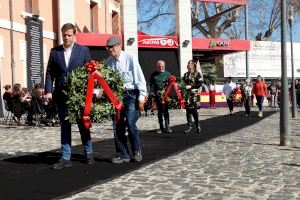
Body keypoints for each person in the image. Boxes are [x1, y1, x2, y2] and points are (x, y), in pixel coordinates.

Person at [44, 23, 94, 169]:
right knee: (65, 126)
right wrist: (48, 90)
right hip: (60, 95)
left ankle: (88, 152)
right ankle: (65, 158)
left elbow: (90, 73)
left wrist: (92, 90)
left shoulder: (83, 51)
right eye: (64, 35)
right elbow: (49, 73)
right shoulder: (55, 52)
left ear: (74, 35)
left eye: (69, 35)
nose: (66, 37)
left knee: (82, 124)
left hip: (79, 96)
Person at [105, 36, 147, 164]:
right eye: (108, 48)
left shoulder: (130, 58)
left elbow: (140, 78)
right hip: (116, 97)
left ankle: (137, 151)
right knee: (117, 125)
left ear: (119, 46)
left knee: (130, 122)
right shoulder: (108, 62)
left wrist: (141, 97)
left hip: (131, 95)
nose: (110, 50)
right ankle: (122, 154)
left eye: (112, 47)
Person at [149, 60, 173, 133]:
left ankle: (167, 127)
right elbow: (150, 84)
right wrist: (151, 92)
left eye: (162, 66)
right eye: (159, 66)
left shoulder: (168, 74)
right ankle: (161, 127)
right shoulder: (154, 75)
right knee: (159, 112)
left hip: (166, 96)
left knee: (166, 111)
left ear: (164, 66)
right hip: (157, 96)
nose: (161, 67)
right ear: (157, 66)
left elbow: (171, 85)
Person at [182, 60, 203, 134]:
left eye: (190, 64)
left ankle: (198, 125)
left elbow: (200, 84)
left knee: (194, 111)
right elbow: (183, 83)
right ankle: (189, 126)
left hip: (195, 95)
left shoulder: (197, 73)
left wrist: (191, 86)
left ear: (193, 65)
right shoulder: (185, 74)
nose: (188, 65)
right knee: (187, 111)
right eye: (188, 64)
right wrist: (182, 86)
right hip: (187, 95)